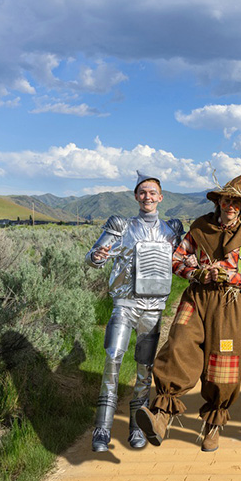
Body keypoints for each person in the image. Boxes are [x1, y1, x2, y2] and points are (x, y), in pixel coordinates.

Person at [137, 175, 241, 452]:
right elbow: (175, 260)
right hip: (196, 297)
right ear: (219, 202)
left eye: (236, 201)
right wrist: (197, 272)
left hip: (228, 304)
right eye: (226, 199)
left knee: (223, 362)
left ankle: (213, 423)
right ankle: (162, 416)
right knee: (179, 345)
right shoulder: (199, 228)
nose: (230, 205)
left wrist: (229, 276)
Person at [85, 172, 184, 452]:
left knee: (144, 368)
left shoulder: (172, 230)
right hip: (124, 306)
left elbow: (184, 258)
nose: (147, 197)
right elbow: (94, 257)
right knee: (112, 358)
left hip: (153, 308)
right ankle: (102, 430)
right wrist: (96, 256)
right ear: (136, 197)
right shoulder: (120, 225)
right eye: (142, 192)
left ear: (160, 197)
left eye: (152, 192)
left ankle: (136, 428)